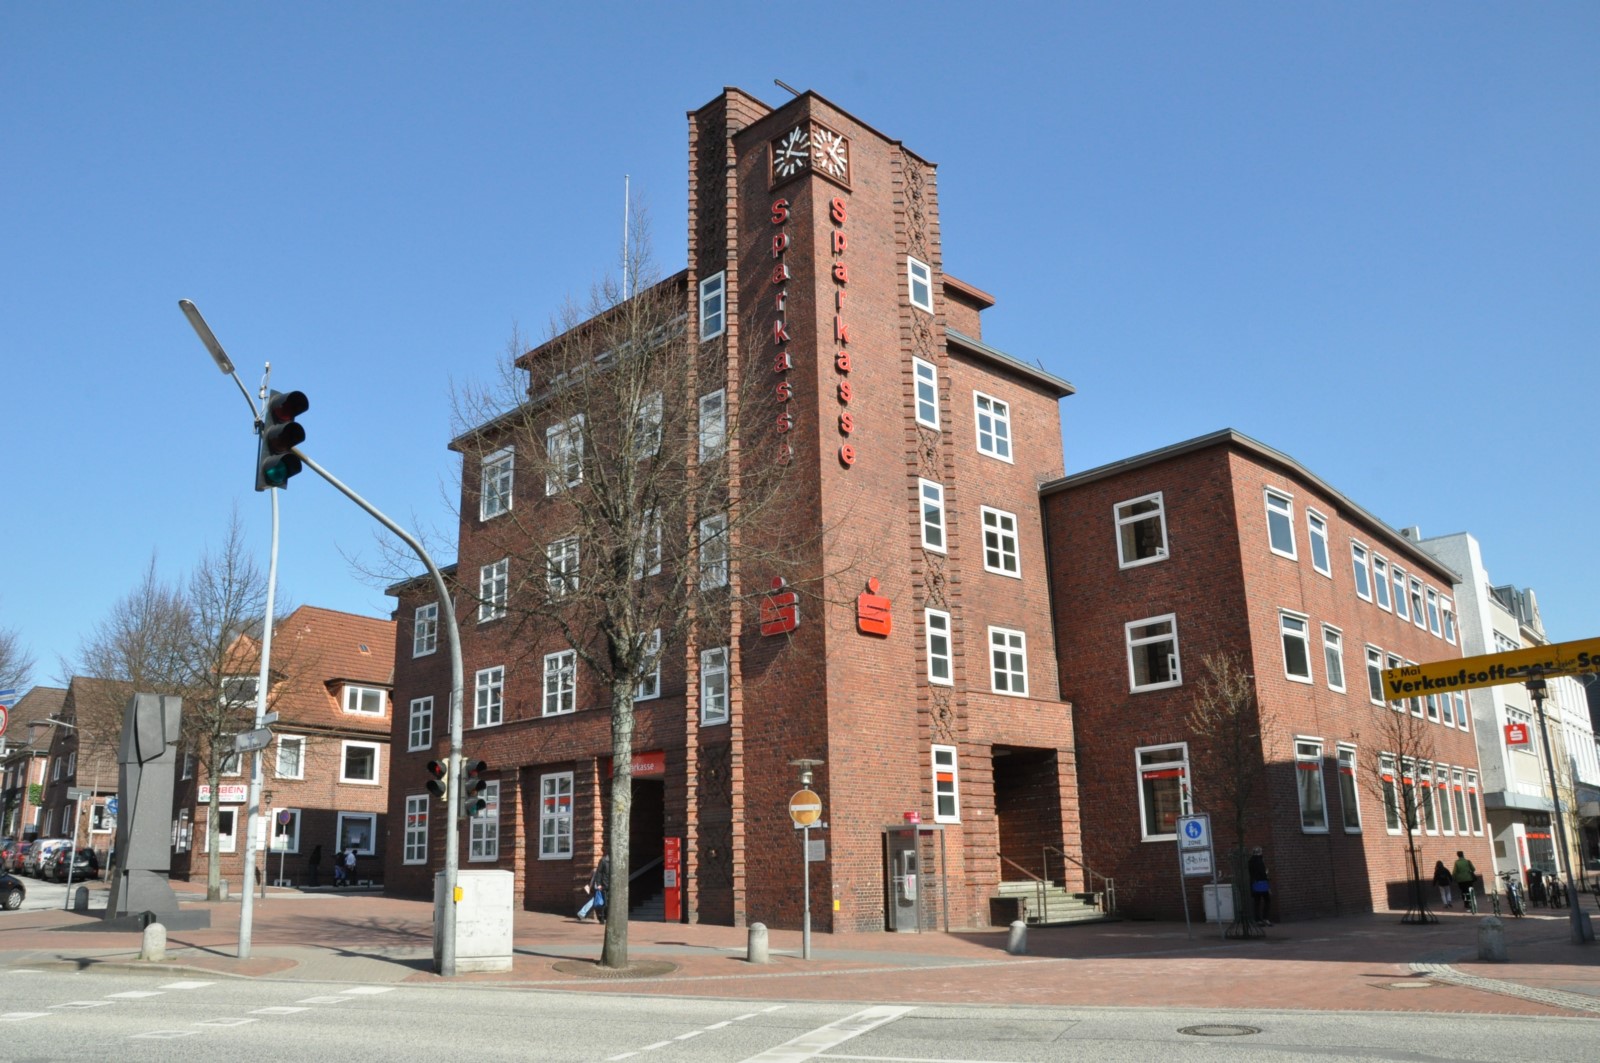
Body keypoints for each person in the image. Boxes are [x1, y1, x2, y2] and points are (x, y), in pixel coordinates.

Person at [1247, 846, 1271, 925]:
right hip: (1262, 883)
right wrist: (1266, 878)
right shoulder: (1260, 861)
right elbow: (1262, 873)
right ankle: (1265, 918)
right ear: (1260, 852)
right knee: (1267, 900)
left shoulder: (1250, 861)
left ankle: (1257, 919)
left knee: (1257, 902)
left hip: (1254, 884)